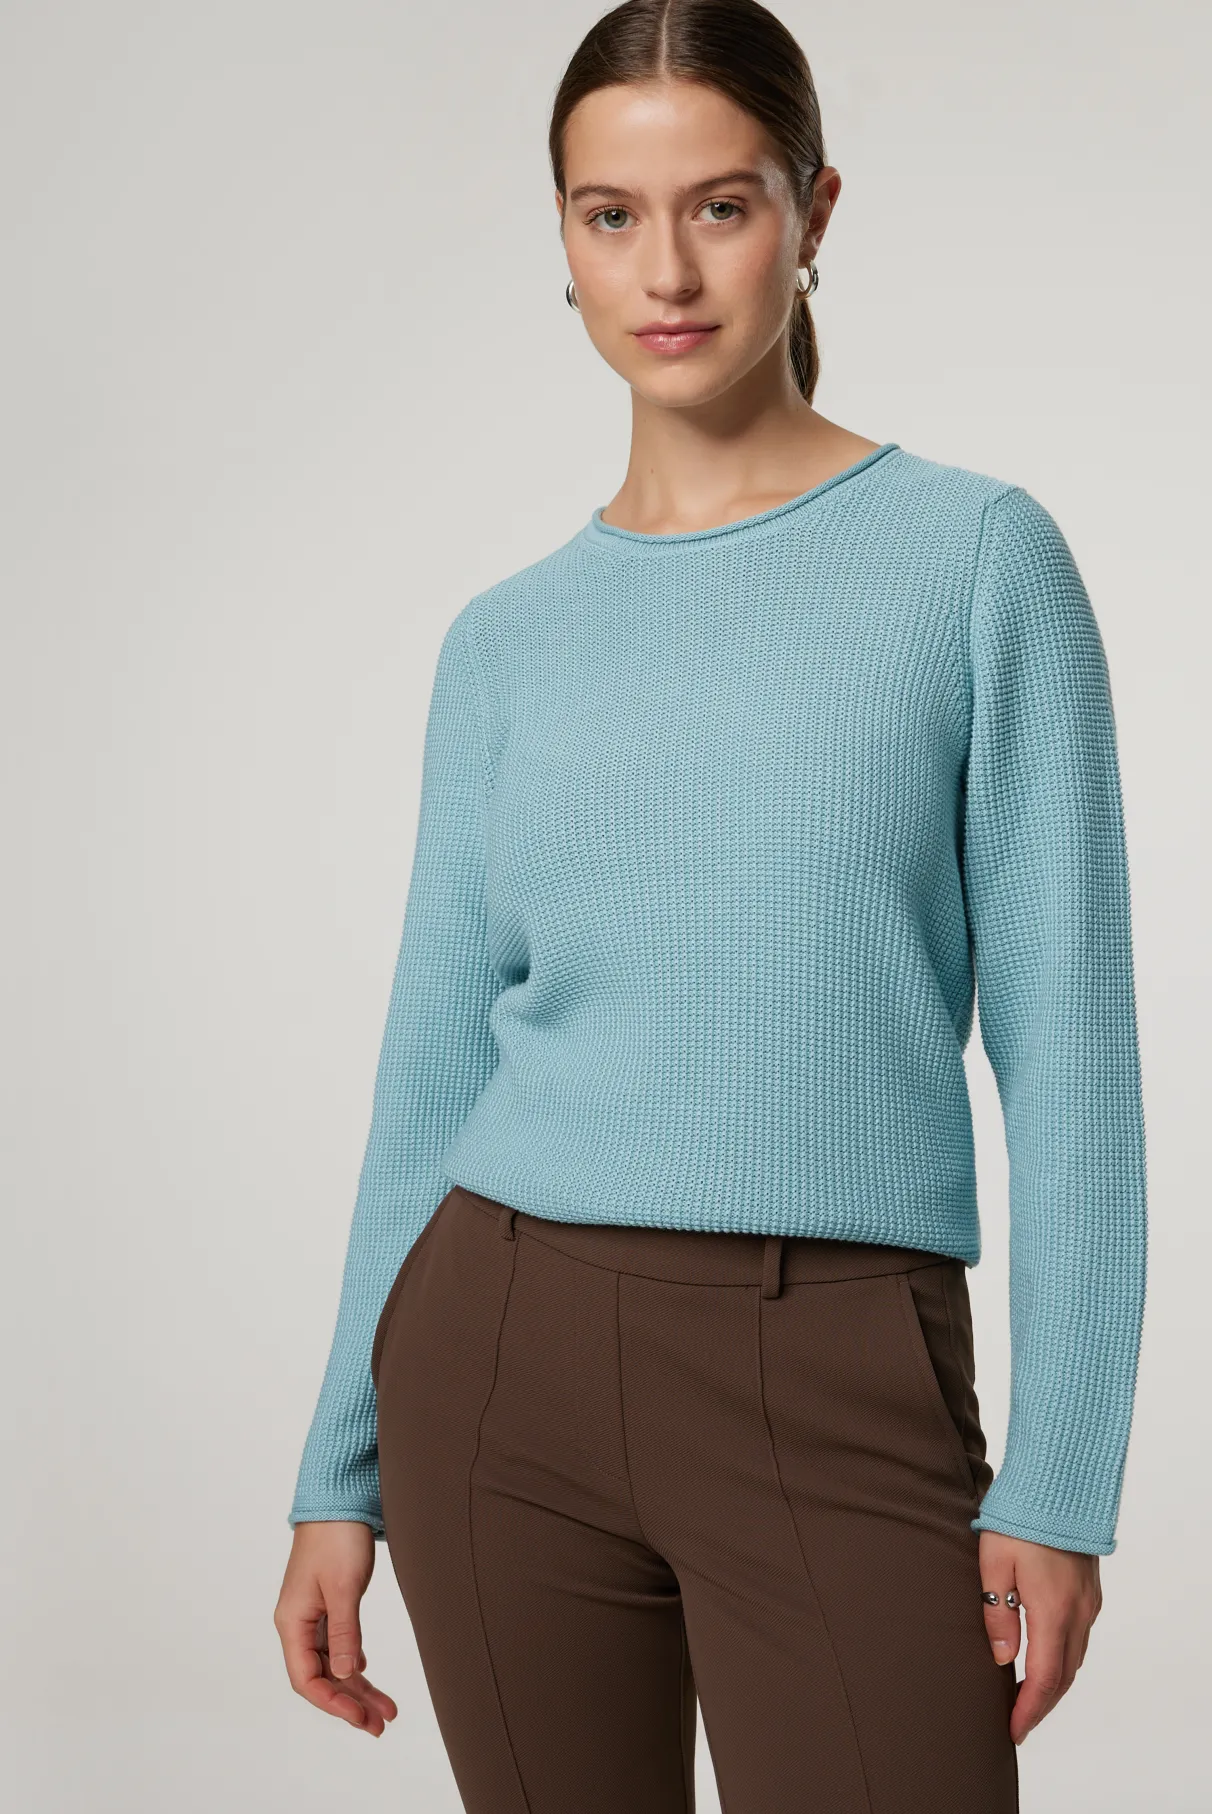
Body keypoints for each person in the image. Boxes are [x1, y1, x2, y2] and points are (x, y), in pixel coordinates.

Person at [273, 2, 1147, 1807]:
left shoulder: (978, 562)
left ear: (812, 212)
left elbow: (1074, 1065)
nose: (664, 271)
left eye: (721, 207)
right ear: (565, 239)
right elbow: (429, 1076)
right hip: (495, 1362)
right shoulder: (506, 641)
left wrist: (1064, 1478)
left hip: (832, 1355)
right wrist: (335, 1467)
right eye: (612, 215)